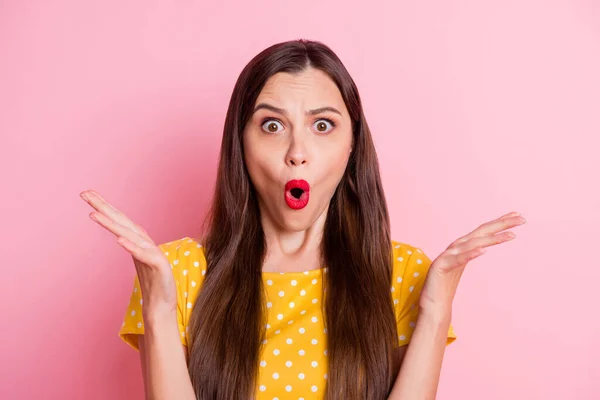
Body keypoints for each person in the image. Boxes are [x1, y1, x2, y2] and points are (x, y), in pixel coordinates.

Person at [80, 39, 526, 400]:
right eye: (272, 126)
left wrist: (434, 310)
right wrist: (158, 310)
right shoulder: (176, 272)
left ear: (352, 146)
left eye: (323, 125)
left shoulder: (403, 274)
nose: (297, 152)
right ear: (241, 145)